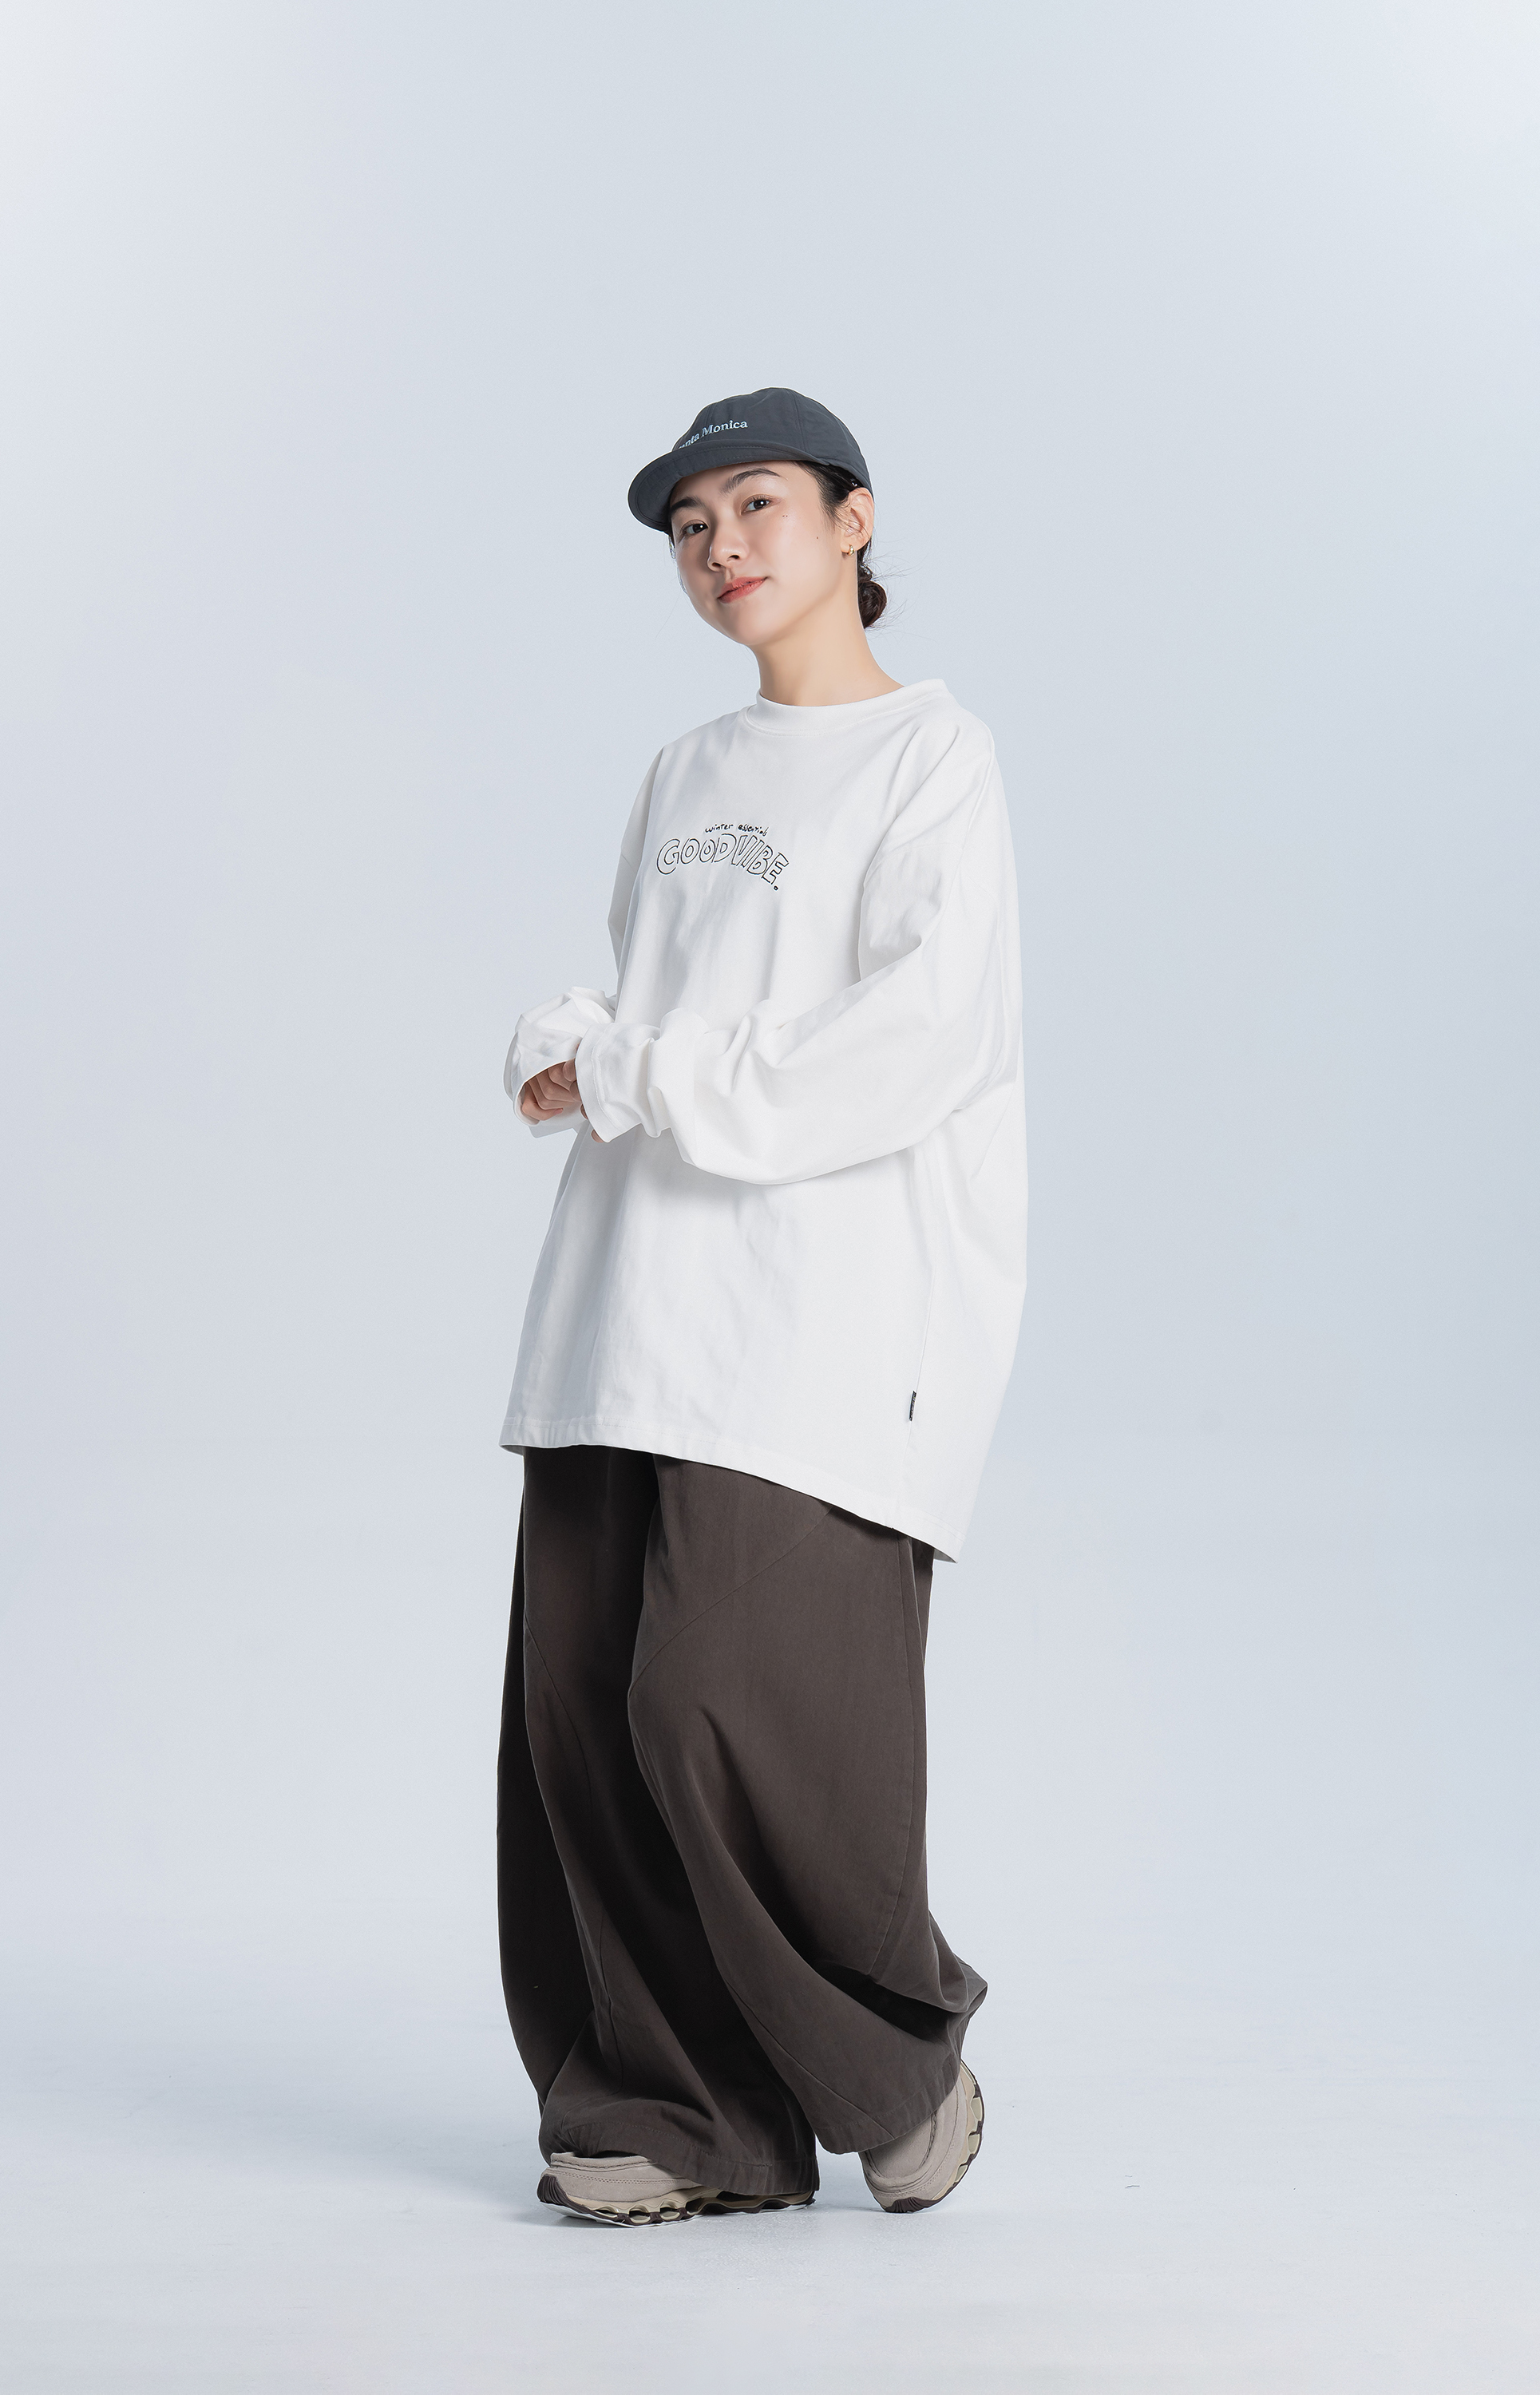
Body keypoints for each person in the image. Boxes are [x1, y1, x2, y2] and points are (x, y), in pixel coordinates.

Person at [496, 387, 1027, 2226]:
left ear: (853, 521)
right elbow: (655, 1001)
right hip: (623, 1301)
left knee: (722, 1699)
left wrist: (638, 1072)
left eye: (758, 505)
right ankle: (681, 2116)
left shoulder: (931, 756)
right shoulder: (683, 771)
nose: (721, 546)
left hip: (819, 1320)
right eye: (689, 524)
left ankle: (896, 2066)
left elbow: (915, 1039)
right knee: (587, 1715)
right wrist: (579, 1045)